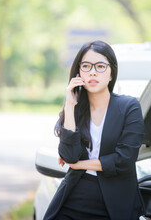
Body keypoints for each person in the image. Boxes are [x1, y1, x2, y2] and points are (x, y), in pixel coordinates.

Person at [43, 40, 145, 220]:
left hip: (115, 203)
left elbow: (124, 159)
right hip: (75, 197)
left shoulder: (129, 107)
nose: (92, 72)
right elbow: (69, 156)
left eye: (100, 66)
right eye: (86, 66)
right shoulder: (75, 110)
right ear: (78, 72)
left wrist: (81, 164)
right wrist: (70, 105)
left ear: (111, 73)